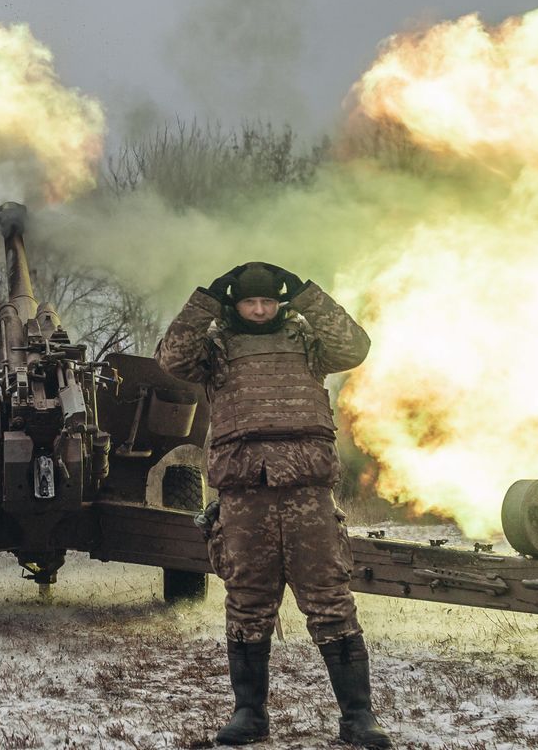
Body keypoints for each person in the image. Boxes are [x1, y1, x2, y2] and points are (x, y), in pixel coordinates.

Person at [156, 262, 390, 749]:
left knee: (330, 602)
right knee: (247, 603)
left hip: (307, 492)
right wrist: (204, 299)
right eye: (249, 302)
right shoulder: (214, 350)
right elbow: (171, 360)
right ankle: (249, 715)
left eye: (268, 302)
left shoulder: (307, 342)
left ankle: (358, 717)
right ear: (234, 305)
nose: (260, 311)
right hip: (244, 494)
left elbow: (355, 346)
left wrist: (307, 294)